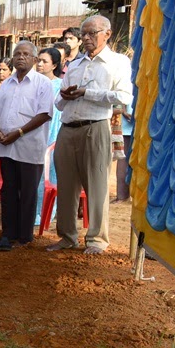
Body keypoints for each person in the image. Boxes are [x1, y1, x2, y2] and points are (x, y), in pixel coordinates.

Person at [49, 15, 133, 254]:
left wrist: (87, 92)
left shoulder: (118, 62)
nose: (86, 38)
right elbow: (58, 103)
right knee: (66, 186)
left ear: (107, 34)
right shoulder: (75, 65)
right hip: (67, 127)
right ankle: (67, 236)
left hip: (96, 127)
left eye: (91, 33)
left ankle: (97, 239)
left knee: (97, 186)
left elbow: (124, 96)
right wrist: (64, 96)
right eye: (83, 34)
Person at [0, 42, 54, 250]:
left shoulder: (43, 83)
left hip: (29, 146)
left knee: (27, 192)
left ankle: (25, 237)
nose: (21, 57)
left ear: (34, 59)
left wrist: (19, 132)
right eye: (17, 54)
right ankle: (8, 233)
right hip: (6, 146)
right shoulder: (7, 83)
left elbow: (44, 114)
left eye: (26, 54)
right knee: (8, 190)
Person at [35, 46, 65, 225]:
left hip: (54, 134)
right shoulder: (32, 82)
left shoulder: (60, 85)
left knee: (50, 174)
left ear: (54, 65)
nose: (39, 64)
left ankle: (46, 212)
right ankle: (33, 212)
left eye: (44, 61)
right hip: (33, 133)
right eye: (38, 60)